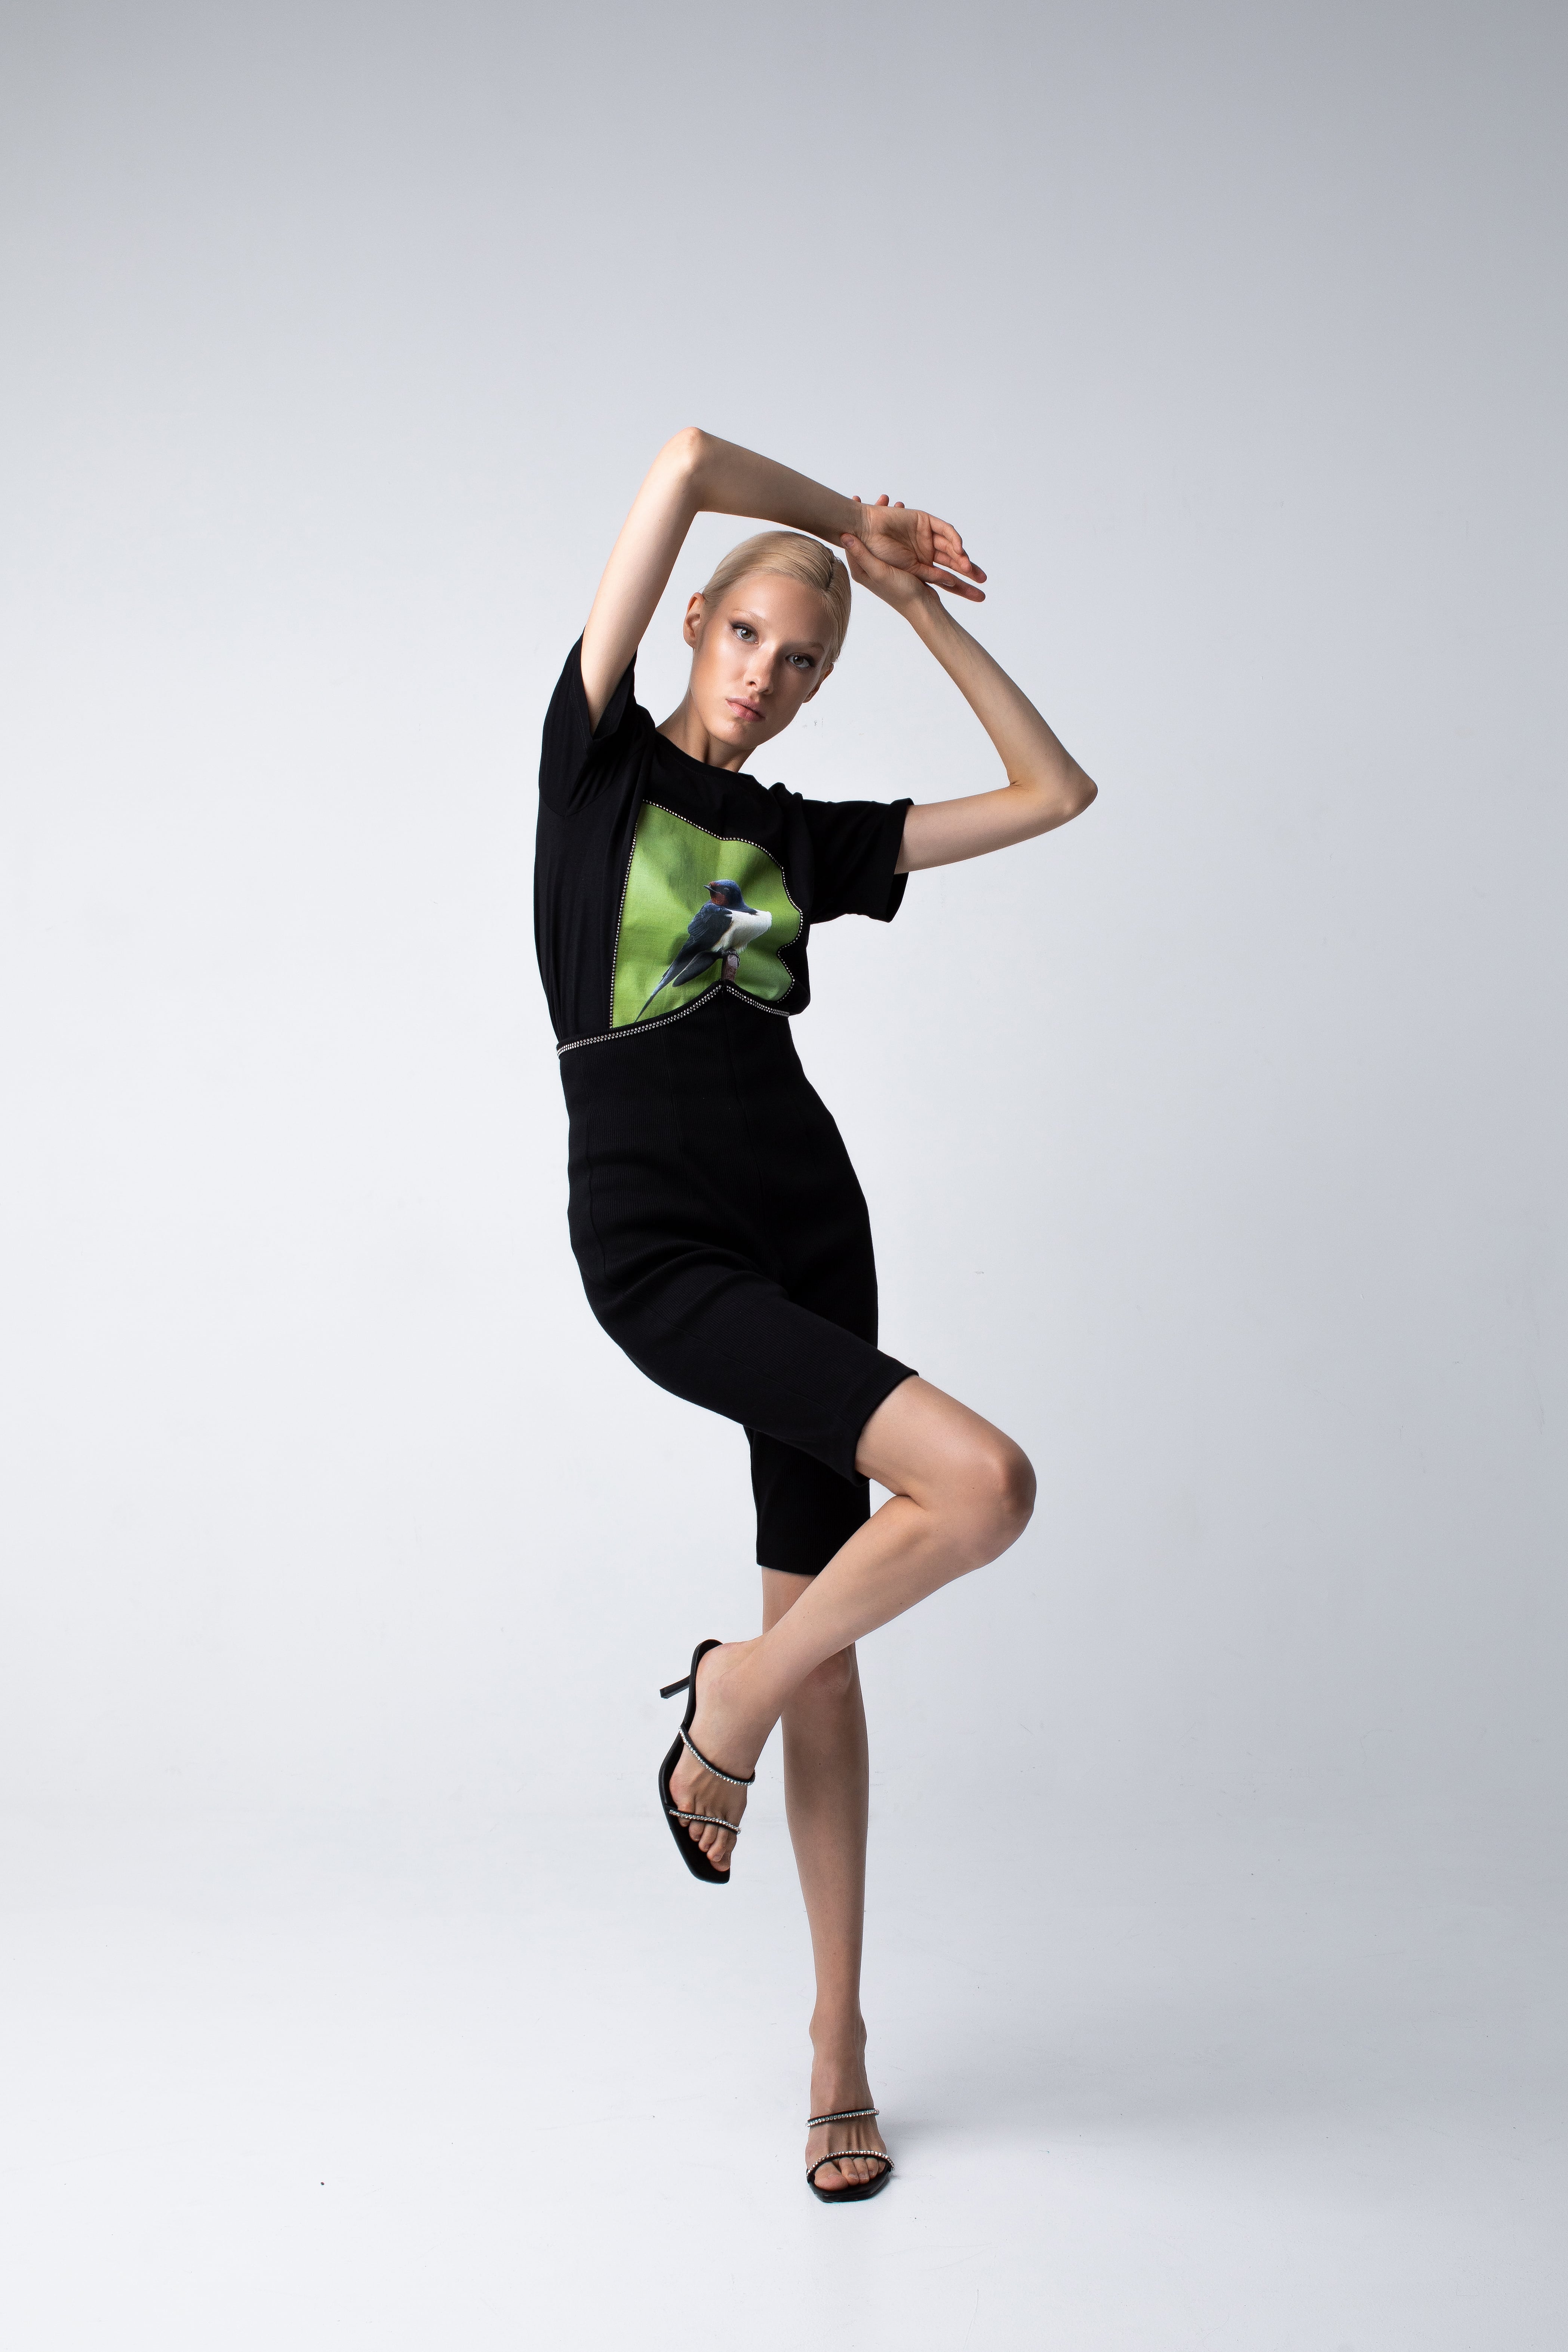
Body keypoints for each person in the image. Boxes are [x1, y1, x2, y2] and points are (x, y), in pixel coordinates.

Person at [535, 430, 1097, 2201]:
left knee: (826, 1634)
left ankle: (834, 2040)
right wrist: (849, 523)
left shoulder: (807, 839)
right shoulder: (593, 762)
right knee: (983, 1487)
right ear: (691, 625)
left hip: (807, 1223)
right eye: (745, 639)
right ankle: (733, 1695)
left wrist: (912, 607)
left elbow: (1051, 791)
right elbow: (688, 459)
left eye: (800, 663)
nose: (764, 678)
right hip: (661, 1243)